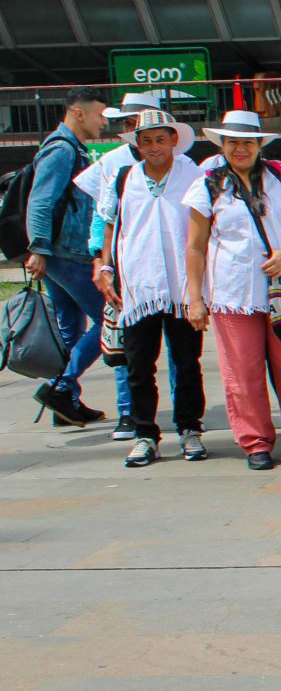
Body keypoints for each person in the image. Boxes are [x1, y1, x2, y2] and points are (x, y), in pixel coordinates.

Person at [183, 111, 281, 470]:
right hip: (234, 293)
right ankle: (255, 441)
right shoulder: (208, 185)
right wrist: (195, 297)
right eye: (232, 142)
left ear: (259, 144)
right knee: (242, 374)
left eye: (247, 142)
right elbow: (195, 246)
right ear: (222, 145)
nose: (240, 149)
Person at [103, 111, 208, 467]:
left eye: (160, 139)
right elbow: (110, 225)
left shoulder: (194, 176)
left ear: (174, 140)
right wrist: (105, 266)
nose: (153, 147)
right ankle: (145, 434)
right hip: (138, 284)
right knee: (138, 365)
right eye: (145, 140)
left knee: (187, 361)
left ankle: (190, 428)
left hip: (182, 285)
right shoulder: (123, 178)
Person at [23, 85, 113, 427]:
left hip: (61, 253)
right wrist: (39, 248)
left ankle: (66, 400)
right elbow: (41, 200)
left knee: (70, 327)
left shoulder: (72, 148)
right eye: (99, 114)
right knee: (109, 320)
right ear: (79, 113)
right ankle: (59, 388)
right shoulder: (61, 150)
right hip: (64, 254)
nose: (103, 122)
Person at [73, 91, 163, 437]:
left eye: (139, 119)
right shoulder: (113, 163)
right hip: (127, 266)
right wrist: (101, 260)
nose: (133, 126)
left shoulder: (176, 157)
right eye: (128, 122)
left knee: (177, 350)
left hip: (167, 268)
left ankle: (185, 422)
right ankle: (130, 414)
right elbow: (102, 216)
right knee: (124, 343)